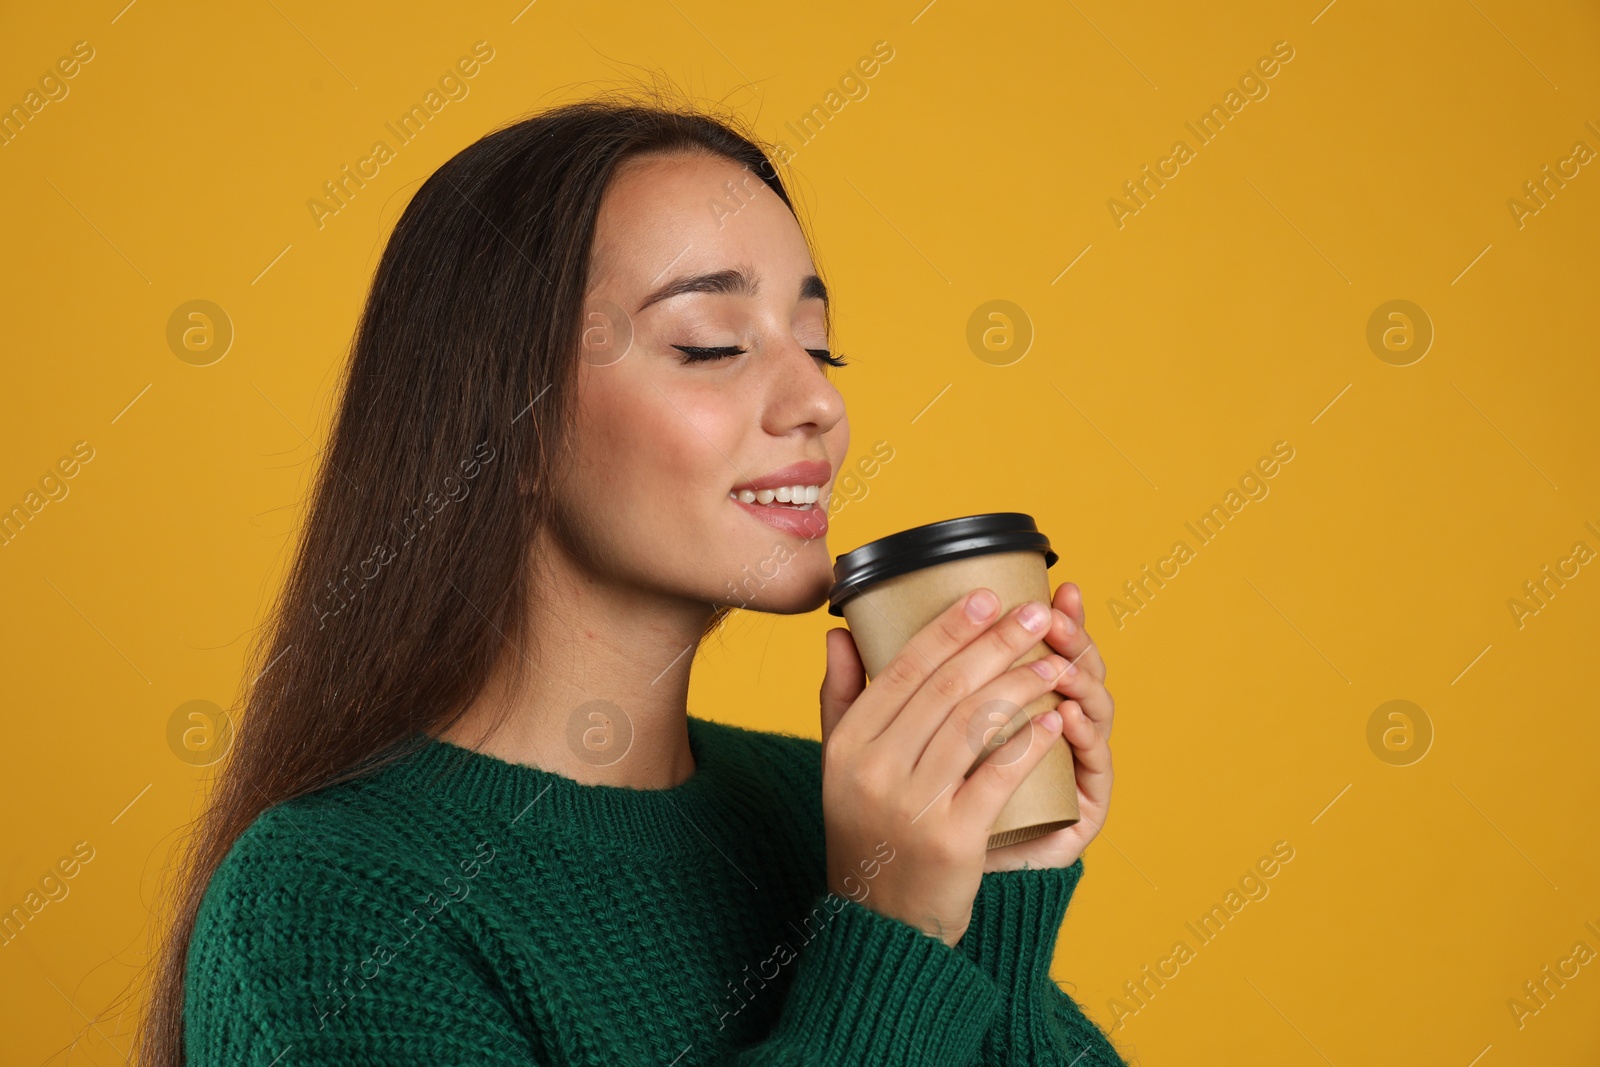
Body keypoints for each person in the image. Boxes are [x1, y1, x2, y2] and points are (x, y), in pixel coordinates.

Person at [139, 92, 1126, 1066]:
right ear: (506, 421)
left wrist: (990, 882)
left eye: (820, 346)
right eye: (712, 344)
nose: (819, 400)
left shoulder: (829, 810)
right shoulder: (334, 901)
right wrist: (890, 936)